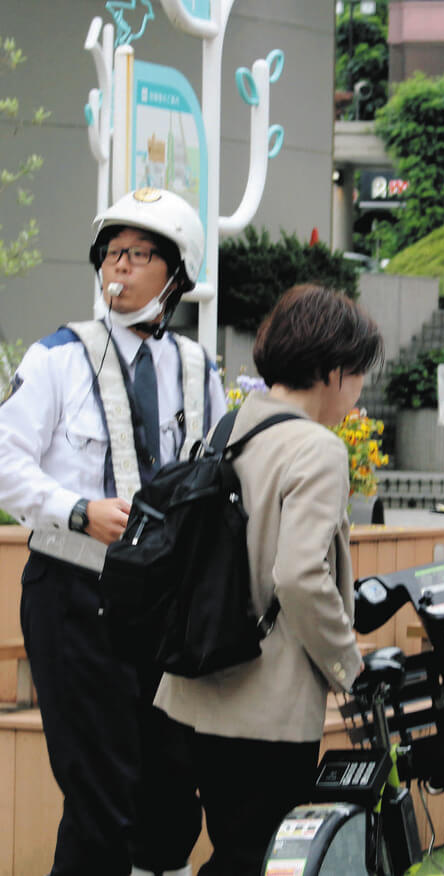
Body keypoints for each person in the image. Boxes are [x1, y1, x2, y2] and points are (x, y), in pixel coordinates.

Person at [0, 186, 225, 876]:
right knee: (100, 798)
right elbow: (4, 460)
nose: (118, 269)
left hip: (160, 607)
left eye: (139, 255)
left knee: (169, 793)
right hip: (73, 593)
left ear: (177, 275)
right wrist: (76, 510)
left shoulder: (198, 367)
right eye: (112, 254)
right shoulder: (57, 357)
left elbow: (215, 466)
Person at [154, 284, 382, 874]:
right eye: (358, 375)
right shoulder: (317, 449)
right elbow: (302, 576)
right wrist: (347, 667)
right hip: (265, 706)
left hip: (191, 693)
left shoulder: (227, 428)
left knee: (230, 853)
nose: (358, 393)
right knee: (257, 857)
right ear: (333, 370)